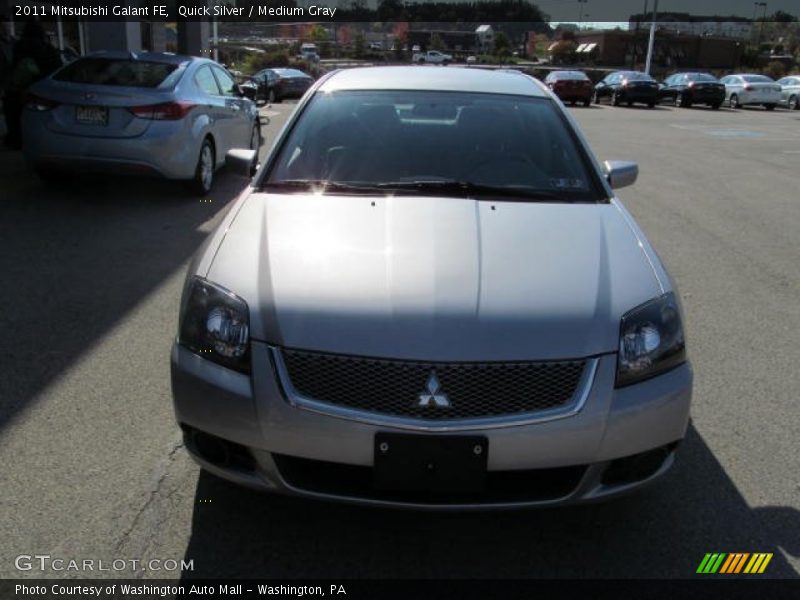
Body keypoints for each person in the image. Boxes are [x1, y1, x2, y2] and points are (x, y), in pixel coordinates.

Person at [3, 18, 61, 149]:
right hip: (43, 87)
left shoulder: (20, 46)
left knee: (15, 113)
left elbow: (15, 66)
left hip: (22, 87)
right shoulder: (47, 48)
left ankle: (16, 139)